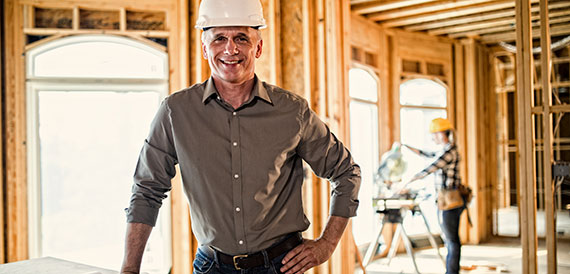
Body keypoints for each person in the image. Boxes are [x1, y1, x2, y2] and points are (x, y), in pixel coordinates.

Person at [120, 0, 361, 273]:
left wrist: (327, 244)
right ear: (204, 48)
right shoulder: (175, 112)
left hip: (280, 266)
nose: (230, 49)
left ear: (258, 47)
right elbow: (146, 191)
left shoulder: (292, 111)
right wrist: (130, 269)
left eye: (241, 38)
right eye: (219, 38)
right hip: (211, 266)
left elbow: (346, 172)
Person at [403, 117, 464, 274]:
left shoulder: (450, 152)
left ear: (442, 134)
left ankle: (452, 272)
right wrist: (405, 146)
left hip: (450, 201)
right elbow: (428, 155)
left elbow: (431, 167)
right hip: (445, 200)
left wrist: (408, 181)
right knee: (450, 239)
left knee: (452, 241)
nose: (432, 138)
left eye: (434, 134)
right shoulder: (444, 150)